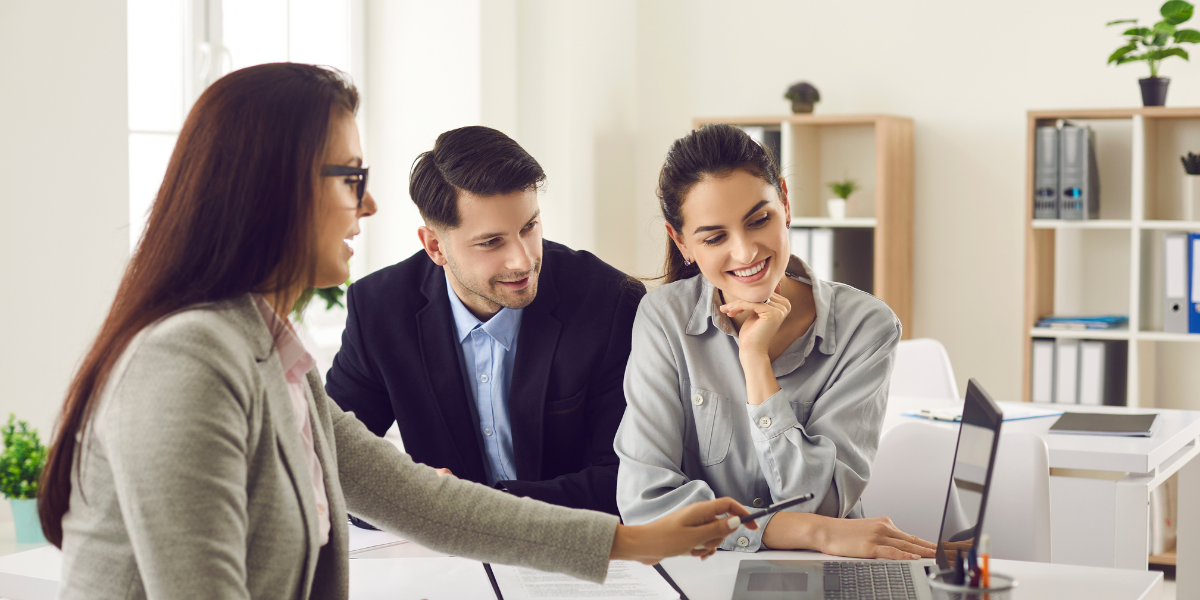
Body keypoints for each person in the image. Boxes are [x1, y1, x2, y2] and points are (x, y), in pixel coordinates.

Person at [38, 64, 753, 600]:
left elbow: (420, 500)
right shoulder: (187, 360)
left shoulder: (264, 350)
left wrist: (629, 542)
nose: (369, 203)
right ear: (272, 186)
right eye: (351, 176)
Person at [614, 123, 936, 559]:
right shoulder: (663, 318)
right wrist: (808, 531)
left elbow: (823, 503)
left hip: (827, 569)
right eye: (714, 237)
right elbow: (646, 506)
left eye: (759, 220)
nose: (746, 252)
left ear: (784, 201)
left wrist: (755, 362)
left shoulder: (867, 326)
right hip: (706, 572)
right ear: (681, 241)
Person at [325, 125, 642, 516]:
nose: (523, 260)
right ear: (435, 246)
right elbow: (328, 463)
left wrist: (472, 509)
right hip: (446, 561)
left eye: (529, 227)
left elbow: (627, 479)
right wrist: (410, 498)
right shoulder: (379, 310)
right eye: (491, 242)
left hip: (576, 551)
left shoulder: (608, 300)